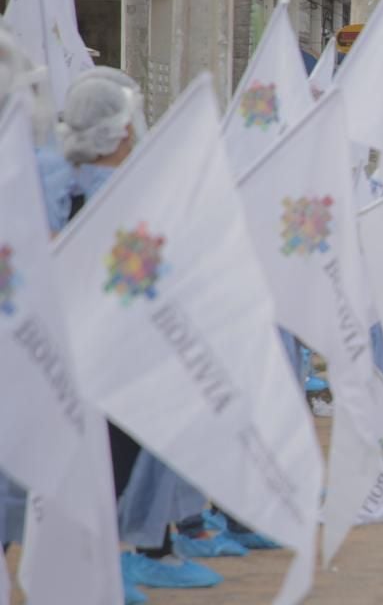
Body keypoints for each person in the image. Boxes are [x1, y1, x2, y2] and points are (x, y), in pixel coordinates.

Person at [59, 69, 225, 597]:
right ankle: (93, 569)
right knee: (103, 464)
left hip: (101, 357)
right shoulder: (102, 199)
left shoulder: (68, 190)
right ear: (123, 130)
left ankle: (106, 563)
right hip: (110, 359)